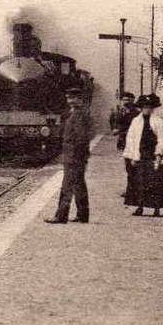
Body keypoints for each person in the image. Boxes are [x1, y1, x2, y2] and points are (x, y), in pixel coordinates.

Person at [45, 87, 91, 224]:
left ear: (79, 99)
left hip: (74, 155)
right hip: (76, 155)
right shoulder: (77, 113)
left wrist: (76, 155)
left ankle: (61, 216)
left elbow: (81, 137)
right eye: (68, 98)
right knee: (79, 185)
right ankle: (83, 215)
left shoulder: (78, 114)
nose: (69, 100)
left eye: (72, 98)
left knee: (67, 185)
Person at [123, 93, 163, 217]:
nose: (147, 109)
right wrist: (132, 156)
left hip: (153, 155)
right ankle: (140, 206)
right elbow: (131, 139)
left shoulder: (158, 121)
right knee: (139, 181)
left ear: (153, 108)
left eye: (150, 107)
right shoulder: (136, 121)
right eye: (144, 107)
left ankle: (156, 208)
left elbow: (162, 139)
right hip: (140, 154)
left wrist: (159, 154)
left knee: (155, 182)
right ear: (141, 108)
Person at [114, 92, 139, 196]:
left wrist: (120, 131)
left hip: (133, 142)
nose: (126, 102)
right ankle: (131, 189)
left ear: (133, 100)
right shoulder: (121, 111)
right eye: (124, 100)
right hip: (124, 142)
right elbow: (116, 122)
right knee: (128, 167)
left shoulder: (136, 113)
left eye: (128, 100)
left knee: (132, 167)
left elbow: (133, 129)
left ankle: (133, 190)